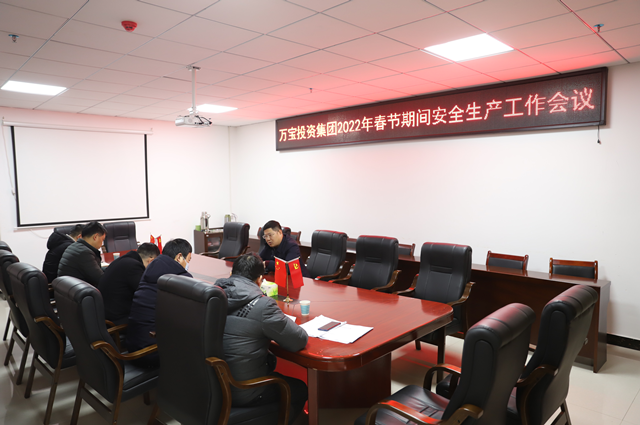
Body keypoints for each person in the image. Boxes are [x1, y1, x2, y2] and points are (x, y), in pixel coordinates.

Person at [215, 253, 308, 424]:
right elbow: (298, 340)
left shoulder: (214, 296)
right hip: (245, 389)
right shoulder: (263, 305)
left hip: (214, 383)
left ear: (231, 274)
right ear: (259, 280)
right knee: (300, 389)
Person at [126, 238, 192, 367]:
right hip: (152, 351)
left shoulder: (150, 268)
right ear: (179, 257)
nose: (188, 264)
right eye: (188, 260)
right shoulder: (181, 278)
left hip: (133, 345)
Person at [98, 243, 160, 325]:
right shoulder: (134, 266)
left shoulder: (124, 260)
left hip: (103, 312)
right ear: (151, 261)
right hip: (116, 318)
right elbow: (145, 293)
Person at [57, 221, 106, 286]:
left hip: (68, 288)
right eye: (102, 239)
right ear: (95, 237)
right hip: (77, 290)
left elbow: (96, 270)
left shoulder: (75, 246)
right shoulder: (84, 252)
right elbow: (100, 279)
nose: (102, 244)